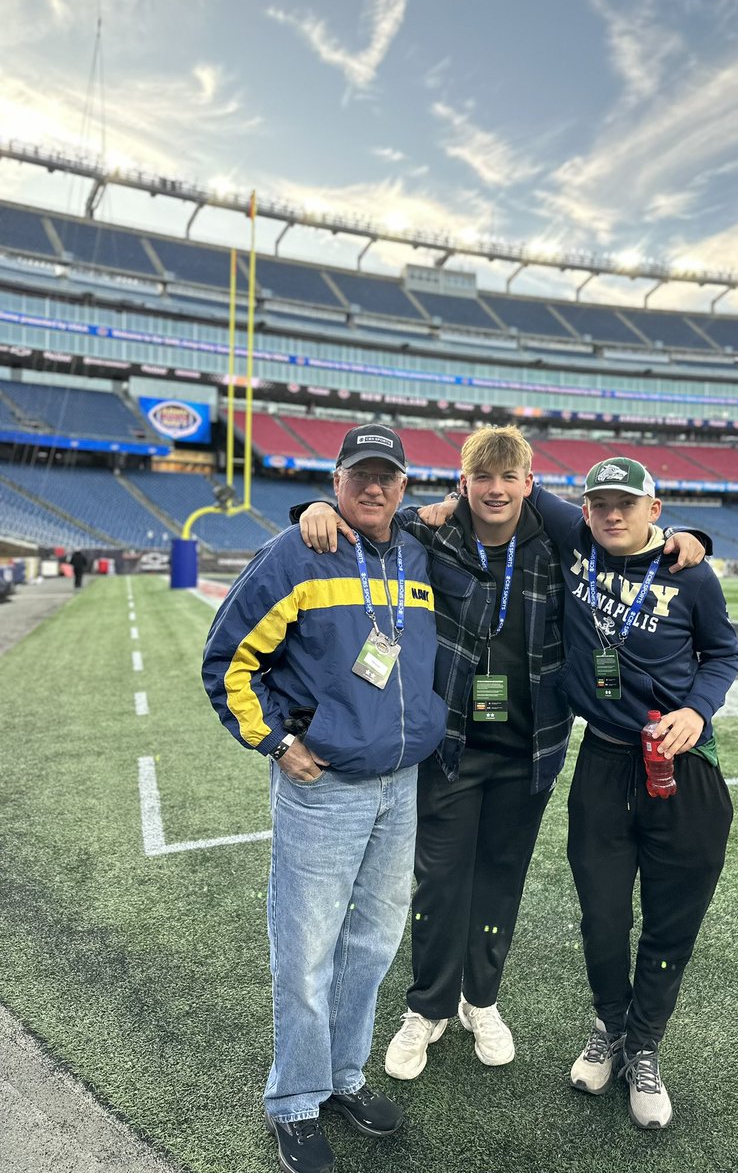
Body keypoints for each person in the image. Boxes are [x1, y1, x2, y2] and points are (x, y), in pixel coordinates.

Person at [296, 428, 708, 1088]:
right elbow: (366, 517)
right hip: (451, 745)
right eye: (481, 478)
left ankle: (479, 1000)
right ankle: (426, 1007)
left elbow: (626, 533)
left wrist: (691, 538)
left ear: (528, 483)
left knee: (501, 879)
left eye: (507, 478)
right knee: (437, 880)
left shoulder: (560, 541)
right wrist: (313, 510)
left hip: (531, 748)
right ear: (463, 484)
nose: (494, 489)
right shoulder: (430, 533)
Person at [202, 424, 447, 1173]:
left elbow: (497, 498)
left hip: (400, 785)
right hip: (326, 788)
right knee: (306, 952)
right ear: (336, 481)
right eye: (359, 476)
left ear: (404, 487)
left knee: (370, 948)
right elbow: (227, 664)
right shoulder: (299, 552)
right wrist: (277, 743)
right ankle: (295, 1101)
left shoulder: (417, 548)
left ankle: (342, 1078)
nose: (374, 488)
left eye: (389, 478)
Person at [529, 457, 738, 1131]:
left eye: (626, 503)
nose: (611, 515)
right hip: (604, 761)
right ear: (585, 510)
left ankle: (644, 1045)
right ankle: (610, 1026)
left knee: (672, 919)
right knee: (602, 915)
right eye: (599, 504)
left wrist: (699, 711)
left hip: (682, 766)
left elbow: (724, 653)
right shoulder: (576, 541)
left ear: (655, 508)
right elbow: (504, 482)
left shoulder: (692, 573)